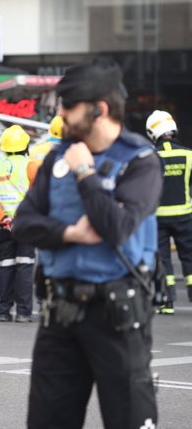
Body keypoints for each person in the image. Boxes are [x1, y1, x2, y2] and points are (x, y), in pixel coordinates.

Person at [13, 57, 160, 428]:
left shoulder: (139, 160)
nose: (60, 113)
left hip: (117, 315)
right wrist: (69, 234)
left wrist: (85, 173)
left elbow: (118, 226)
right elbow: (24, 223)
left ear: (100, 109)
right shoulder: (56, 158)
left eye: (68, 105)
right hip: (59, 315)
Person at [0, 124, 39, 323]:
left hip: (3, 225)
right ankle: (23, 312)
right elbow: (38, 195)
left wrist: (3, 218)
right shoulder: (32, 166)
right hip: (25, 224)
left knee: (6, 266)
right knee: (24, 265)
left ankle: (4, 311)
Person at [146, 109, 192, 315]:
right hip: (186, 216)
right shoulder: (188, 154)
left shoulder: (149, 157)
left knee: (163, 260)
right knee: (189, 257)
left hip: (159, 218)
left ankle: (166, 301)